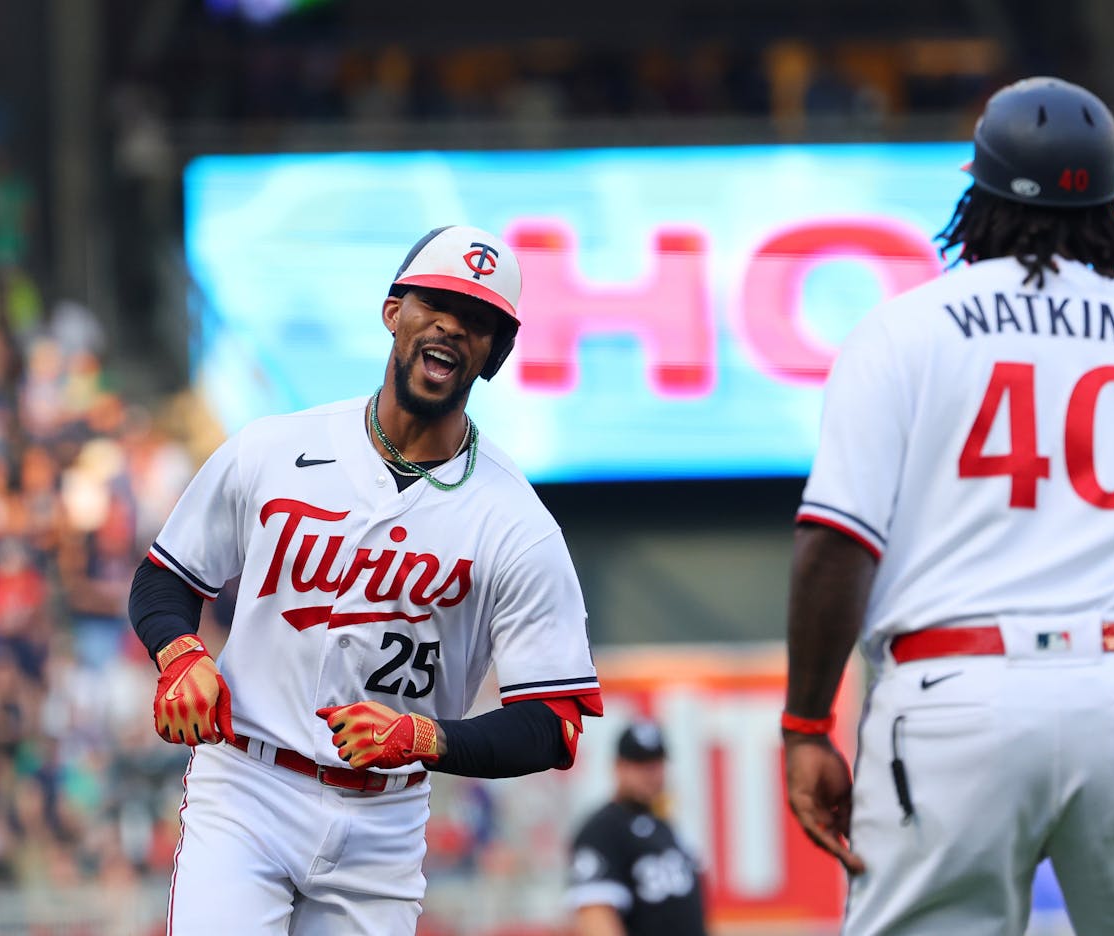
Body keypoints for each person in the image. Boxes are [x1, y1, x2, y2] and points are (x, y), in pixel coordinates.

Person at [781, 76, 1114, 935]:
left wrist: (807, 724)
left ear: (979, 192)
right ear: (1113, 208)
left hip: (955, 694)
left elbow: (835, 545)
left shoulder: (906, 330)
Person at [127, 224, 604, 934]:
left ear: (496, 354)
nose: (450, 325)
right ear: (393, 313)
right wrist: (180, 654)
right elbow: (167, 579)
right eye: (434, 302)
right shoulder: (276, 448)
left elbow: (552, 726)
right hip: (248, 789)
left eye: (477, 321)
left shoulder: (517, 524)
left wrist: (428, 738)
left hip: (382, 823)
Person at [567, 721, 708, 936]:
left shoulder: (664, 826)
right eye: (640, 764)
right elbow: (596, 917)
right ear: (619, 767)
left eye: (656, 763)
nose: (650, 774)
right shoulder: (601, 830)